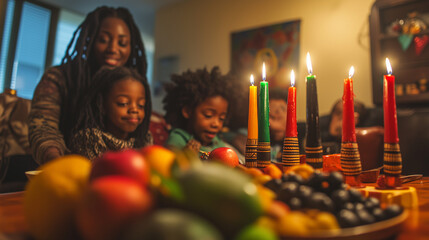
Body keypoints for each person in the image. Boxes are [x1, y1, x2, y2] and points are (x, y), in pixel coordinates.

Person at [28, 6, 148, 164]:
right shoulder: (61, 77)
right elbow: (43, 128)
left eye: (122, 43)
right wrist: (58, 162)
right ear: (89, 40)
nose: (113, 49)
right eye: (103, 40)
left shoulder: (132, 85)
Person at [69, 66, 152, 160]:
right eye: (123, 103)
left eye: (140, 105)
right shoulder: (89, 140)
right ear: (102, 105)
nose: (134, 110)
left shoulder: (144, 139)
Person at [162, 67, 243, 162]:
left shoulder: (217, 142)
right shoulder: (177, 139)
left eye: (221, 118)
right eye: (208, 115)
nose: (216, 124)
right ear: (188, 111)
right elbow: (169, 166)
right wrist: (186, 155)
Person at [268, 88, 288, 162]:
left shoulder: (303, 133)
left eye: (282, 109)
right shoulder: (257, 138)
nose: (277, 114)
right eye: (271, 110)